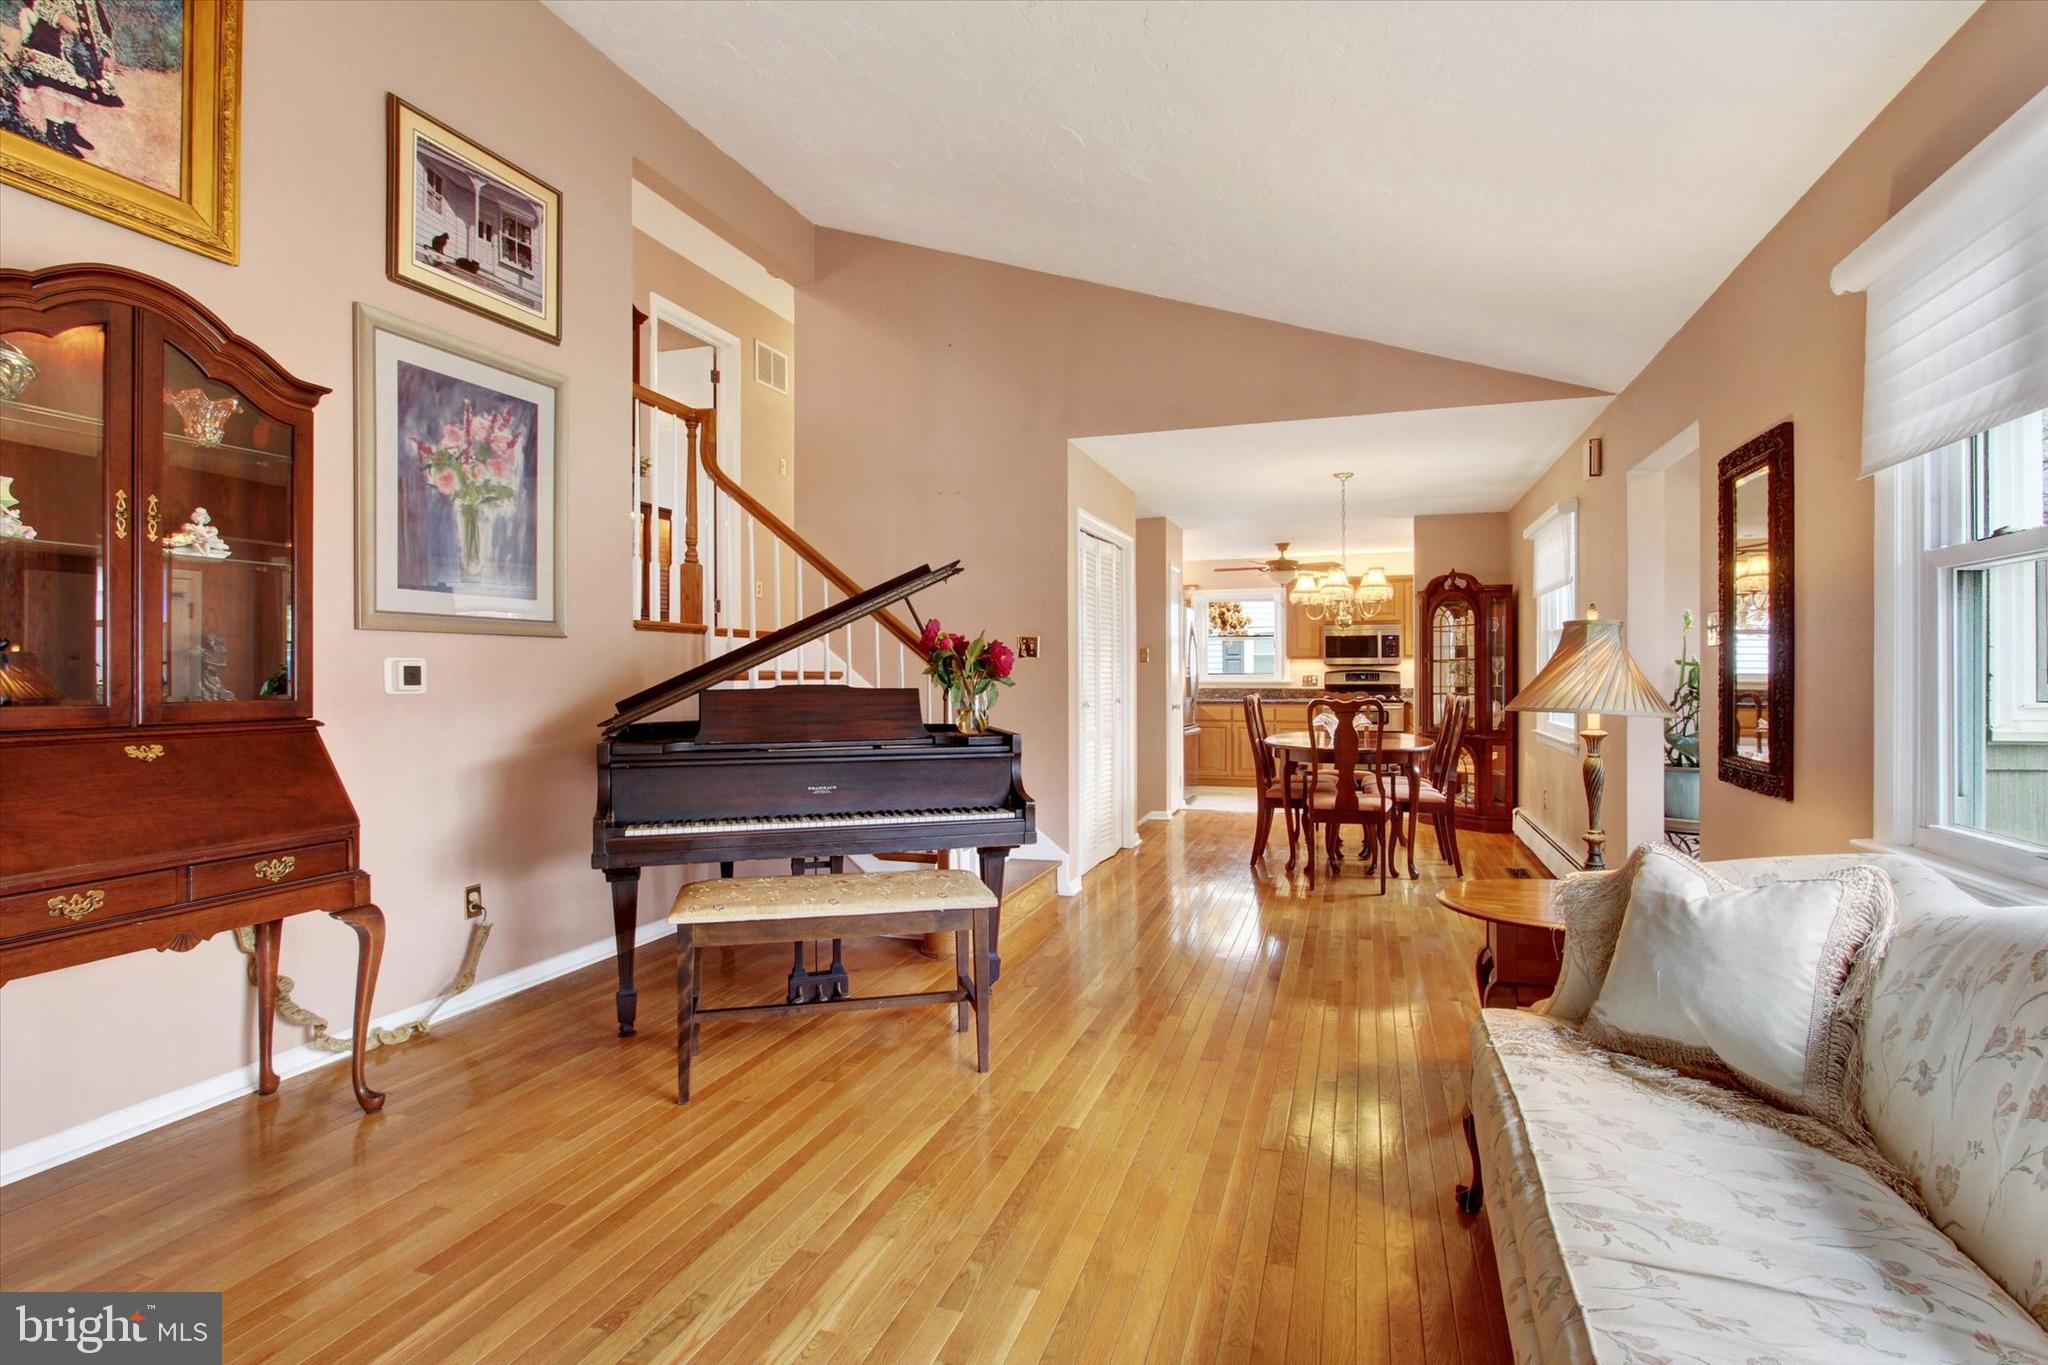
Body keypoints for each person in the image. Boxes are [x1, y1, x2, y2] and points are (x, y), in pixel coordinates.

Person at [10, 0, 122, 160]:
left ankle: (69, 129)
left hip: (81, 51)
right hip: (50, 41)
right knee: (54, 86)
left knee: (78, 87)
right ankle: (54, 130)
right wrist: (59, 16)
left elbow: (103, 25)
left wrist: (107, 54)